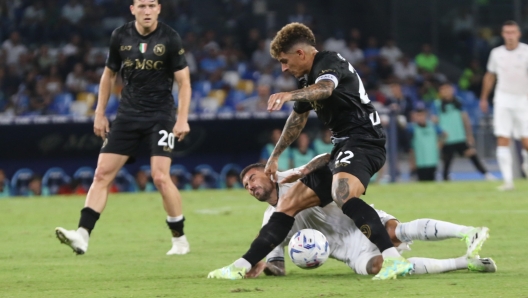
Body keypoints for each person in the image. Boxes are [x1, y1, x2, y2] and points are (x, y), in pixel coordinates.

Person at [208, 22, 413, 281]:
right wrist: (275, 156)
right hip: (342, 146)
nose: (283, 67)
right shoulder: (306, 79)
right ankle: (241, 265)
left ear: (301, 54)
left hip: (364, 140)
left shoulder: (329, 62)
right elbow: (297, 119)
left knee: (343, 194)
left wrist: (289, 94)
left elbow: (326, 89)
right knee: (286, 205)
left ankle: (393, 259)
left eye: (285, 60)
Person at [55, 0, 192, 256]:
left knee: (160, 177)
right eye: (142, 6)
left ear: (159, 8)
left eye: (152, 5)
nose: (147, 11)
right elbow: (108, 75)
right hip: (127, 116)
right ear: (133, 9)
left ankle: (179, 239)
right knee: (100, 175)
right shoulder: (120, 36)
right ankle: (82, 236)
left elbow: (184, 82)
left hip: (160, 116)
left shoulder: (170, 38)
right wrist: (99, 113)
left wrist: (182, 118)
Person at [237, 161, 494, 278]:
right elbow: (278, 265)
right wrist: (265, 268)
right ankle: (465, 262)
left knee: (395, 232)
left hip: (357, 220)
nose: (249, 186)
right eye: (245, 185)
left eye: (252, 178)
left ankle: (469, 232)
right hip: (347, 250)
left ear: (269, 174)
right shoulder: (269, 221)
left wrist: (305, 170)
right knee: (379, 267)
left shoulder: (295, 181)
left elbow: (326, 161)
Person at [480, 20, 528, 191]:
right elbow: (490, 76)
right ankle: (508, 181)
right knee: (502, 137)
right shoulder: (496, 53)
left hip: (523, 99)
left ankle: (526, 166)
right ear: (502, 34)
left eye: (512, 32)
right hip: (503, 99)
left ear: (518, 34)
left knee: (526, 140)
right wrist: (484, 98)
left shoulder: (526, 52)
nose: (510, 36)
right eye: (506, 33)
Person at [433, 83, 495, 181]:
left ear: (452, 90)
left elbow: (465, 119)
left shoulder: (458, 102)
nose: (445, 92)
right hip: (446, 138)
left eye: (447, 89)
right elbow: (434, 121)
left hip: (459, 136)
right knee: (447, 160)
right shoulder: (437, 104)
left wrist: (469, 135)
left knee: (472, 154)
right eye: (443, 90)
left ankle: (486, 174)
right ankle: (445, 178)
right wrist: (438, 137)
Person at [408, 106, 445, 181]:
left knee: (432, 179)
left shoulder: (432, 126)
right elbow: (410, 147)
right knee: (421, 180)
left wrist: (440, 143)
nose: (420, 118)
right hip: (420, 160)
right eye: (418, 115)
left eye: (422, 115)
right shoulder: (412, 128)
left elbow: (444, 134)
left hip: (432, 159)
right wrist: (412, 162)